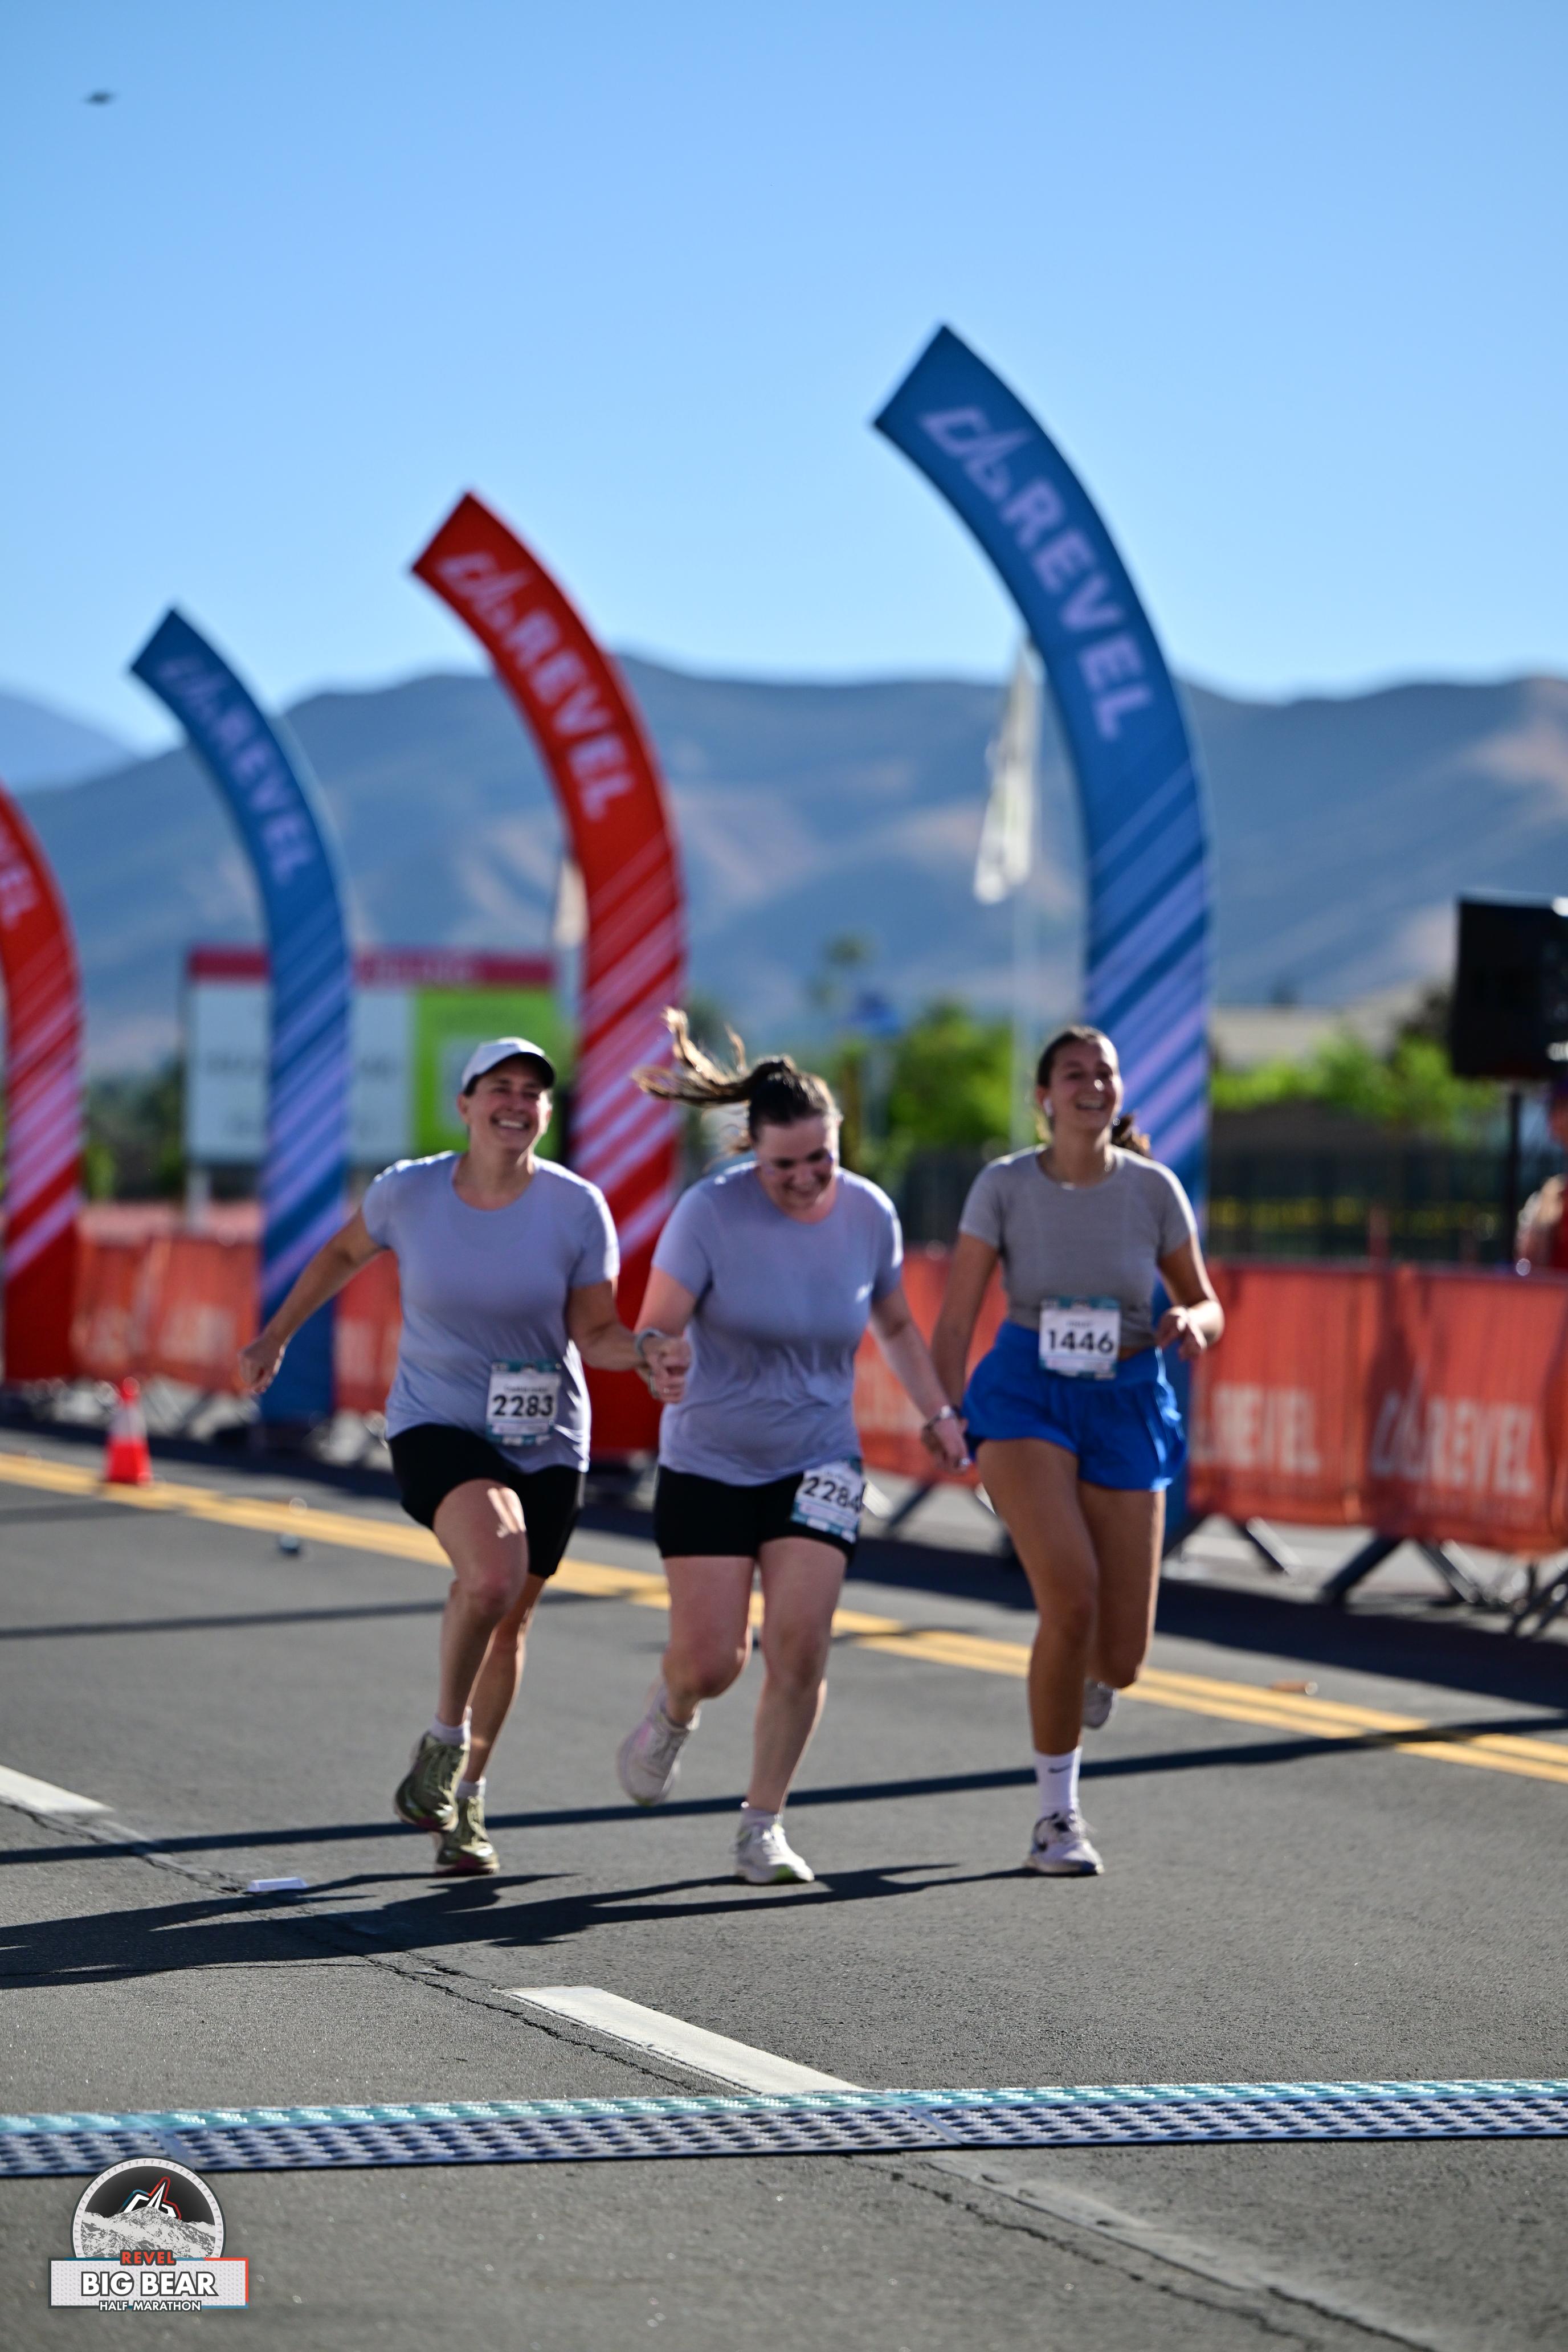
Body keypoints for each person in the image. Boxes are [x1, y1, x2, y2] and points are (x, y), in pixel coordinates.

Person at [238, 1038, 687, 1875]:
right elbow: (342, 1253)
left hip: (547, 1435)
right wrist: (276, 1336)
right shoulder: (408, 1191)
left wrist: (648, 1351)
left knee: (511, 1619)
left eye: (533, 1093)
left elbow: (595, 1332)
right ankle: (444, 1739)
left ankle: (465, 1798)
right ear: (466, 1104)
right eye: (500, 1088)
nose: (517, 1103)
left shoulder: (576, 1207)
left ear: (546, 1112)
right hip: (437, 1419)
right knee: (491, 1577)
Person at [614, 1014, 970, 1884]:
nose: (808, 1179)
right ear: (752, 1152)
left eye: (823, 1159)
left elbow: (895, 1323)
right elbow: (656, 1324)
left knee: (801, 1645)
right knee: (714, 1661)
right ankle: (673, 1708)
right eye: (785, 1166)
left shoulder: (869, 1214)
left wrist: (938, 1410)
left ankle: (762, 1826)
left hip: (820, 1457)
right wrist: (661, 1355)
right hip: (710, 1457)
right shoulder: (710, 1212)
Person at [930, 1024, 1222, 1879]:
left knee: (1121, 1657)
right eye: (1073, 1074)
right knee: (1071, 1596)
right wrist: (943, 1412)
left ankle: (1091, 1673)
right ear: (1044, 1096)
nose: (1092, 1085)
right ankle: (1055, 1818)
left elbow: (1208, 1302)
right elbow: (956, 1318)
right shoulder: (1005, 1185)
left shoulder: (1154, 1189)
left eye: (1105, 1073)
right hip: (1027, 1394)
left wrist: (1192, 1323)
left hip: (1126, 1398)